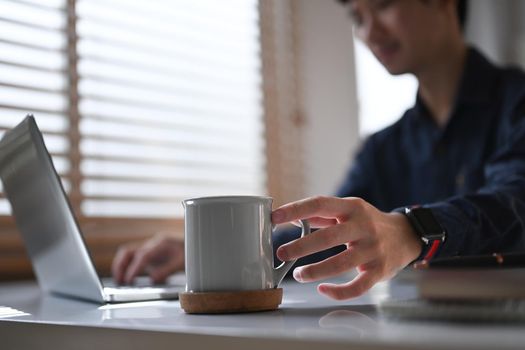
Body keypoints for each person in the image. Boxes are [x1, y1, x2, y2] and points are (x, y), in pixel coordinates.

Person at [112, 0, 525, 300]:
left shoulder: (517, 103)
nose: (369, 33)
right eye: (357, 17)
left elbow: (514, 202)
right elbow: (328, 234)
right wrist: (209, 252)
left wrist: (412, 229)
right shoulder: (384, 148)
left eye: (382, 6)